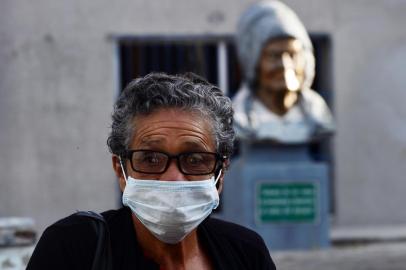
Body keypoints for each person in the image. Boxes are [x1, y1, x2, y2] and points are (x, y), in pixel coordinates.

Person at [27, 73, 276, 269]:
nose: (173, 178)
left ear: (220, 174)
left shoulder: (246, 253)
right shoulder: (73, 247)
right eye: (151, 159)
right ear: (120, 170)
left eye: (195, 158)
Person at [233, 0, 334, 143]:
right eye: (274, 56)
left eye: (292, 55)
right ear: (253, 62)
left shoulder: (317, 113)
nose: (285, 66)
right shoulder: (238, 116)